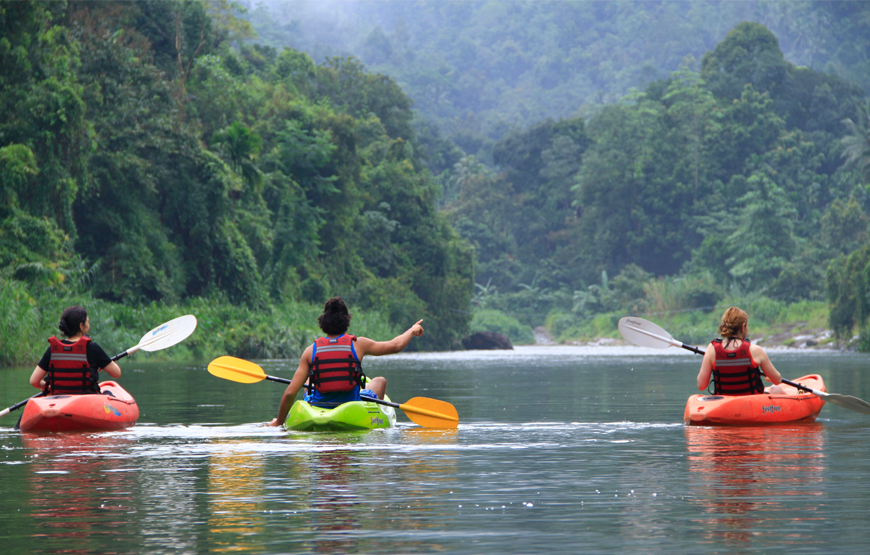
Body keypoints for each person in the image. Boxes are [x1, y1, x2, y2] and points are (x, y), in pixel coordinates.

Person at [268, 297, 424, 427]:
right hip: (351, 405)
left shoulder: (311, 351)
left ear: (323, 323)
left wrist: (279, 422)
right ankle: (375, 415)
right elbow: (395, 345)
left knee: (309, 380)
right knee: (379, 381)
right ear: (346, 321)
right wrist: (412, 330)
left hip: (318, 407)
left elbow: (290, 393)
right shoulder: (358, 344)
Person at [29, 305, 122, 395]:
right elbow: (117, 373)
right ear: (81, 326)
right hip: (86, 402)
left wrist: (49, 387)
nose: (89, 325)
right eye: (88, 322)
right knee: (108, 393)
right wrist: (104, 363)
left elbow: (34, 381)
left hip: (59, 401)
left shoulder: (53, 350)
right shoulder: (93, 348)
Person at [696, 307, 784, 395]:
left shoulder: (712, 349)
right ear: (743, 327)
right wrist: (769, 377)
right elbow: (777, 380)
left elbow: (701, 385)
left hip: (724, 403)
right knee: (776, 389)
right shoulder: (755, 350)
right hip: (751, 403)